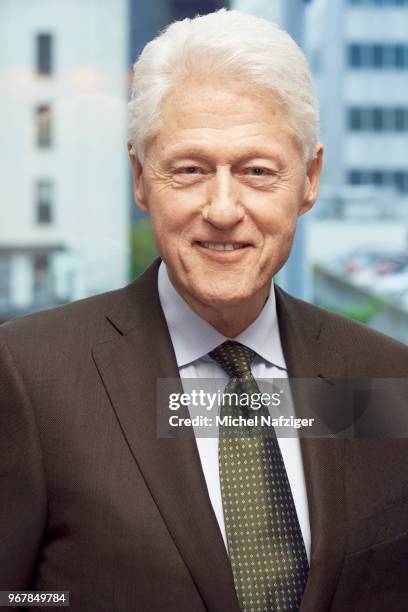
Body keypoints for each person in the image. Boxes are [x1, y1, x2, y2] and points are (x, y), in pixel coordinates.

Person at [1, 9, 407, 612]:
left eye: (257, 171)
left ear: (310, 179)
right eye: (189, 170)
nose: (222, 208)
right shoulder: (29, 376)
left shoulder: (384, 378)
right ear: (141, 178)